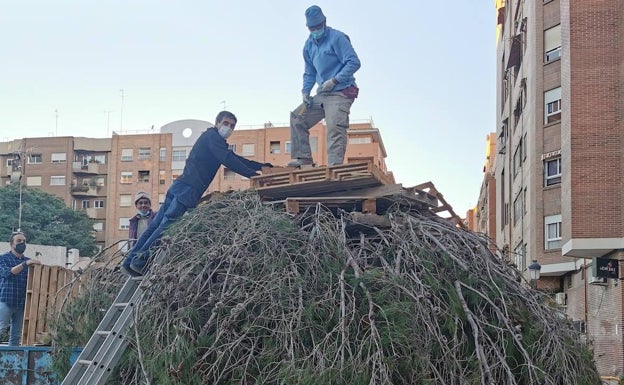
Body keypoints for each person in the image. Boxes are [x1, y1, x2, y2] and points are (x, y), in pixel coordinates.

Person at [121, 111, 272, 276]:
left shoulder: (213, 141)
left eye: (232, 126)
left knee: (156, 225)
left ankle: (129, 262)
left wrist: (262, 166)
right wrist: (255, 177)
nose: (228, 128)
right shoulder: (213, 137)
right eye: (226, 123)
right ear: (217, 123)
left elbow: (234, 158)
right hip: (189, 189)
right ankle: (141, 261)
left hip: (179, 185)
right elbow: (228, 160)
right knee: (167, 225)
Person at [288, 5, 361, 168]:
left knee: (334, 126)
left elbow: (354, 62)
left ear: (324, 22)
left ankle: (334, 167)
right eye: (312, 28)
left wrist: (335, 80)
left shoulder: (337, 38)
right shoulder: (308, 46)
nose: (316, 30)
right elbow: (309, 71)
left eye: (318, 26)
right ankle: (304, 158)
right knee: (297, 117)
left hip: (340, 91)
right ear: (308, 27)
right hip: (323, 93)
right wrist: (305, 92)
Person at [0, 231, 41, 346]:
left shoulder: (28, 261)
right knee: (1, 330)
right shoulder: (3, 259)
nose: (22, 243)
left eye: (24, 241)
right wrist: (25, 264)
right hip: (6, 301)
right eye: (19, 241)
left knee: (16, 336)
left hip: (22, 303)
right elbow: (7, 273)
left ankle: (12, 362)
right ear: (11, 244)